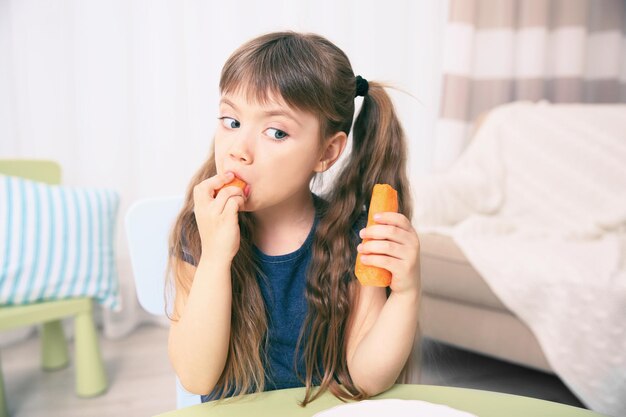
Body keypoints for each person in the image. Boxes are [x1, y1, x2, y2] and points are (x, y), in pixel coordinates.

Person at [167, 31, 421, 406]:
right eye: (231, 121)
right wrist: (216, 257)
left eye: (276, 132)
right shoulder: (199, 230)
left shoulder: (350, 238)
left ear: (326, 151)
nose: (239, 150)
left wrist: (406, 293)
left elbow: (367, 377)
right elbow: (195, 375)